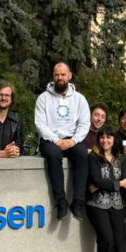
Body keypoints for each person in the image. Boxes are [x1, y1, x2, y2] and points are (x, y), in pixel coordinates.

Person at [34, 63, 90, 221]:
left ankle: (78, 202)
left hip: (72, 140)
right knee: (52, 154)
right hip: (50, 140)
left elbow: (84, 123)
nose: (60, 78)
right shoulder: (43, 98)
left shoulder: (79, 99)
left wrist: (74, 141)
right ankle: (61, 201)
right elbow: (40, 124)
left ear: (69, 76)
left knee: (82, 153)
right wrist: (55, 140)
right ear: (53, 76)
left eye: (63, 75)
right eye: (57, 75)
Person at [86, 125, 126, 252]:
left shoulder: (122, 158)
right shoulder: (94, 157)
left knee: (119, 242)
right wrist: (117, 184)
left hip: (118, 205)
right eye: (102, 137)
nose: (105, 140)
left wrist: (102, 185)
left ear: (114, 139)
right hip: (97, 204)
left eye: (109, 137)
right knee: (106, 239)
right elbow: (96, 180)